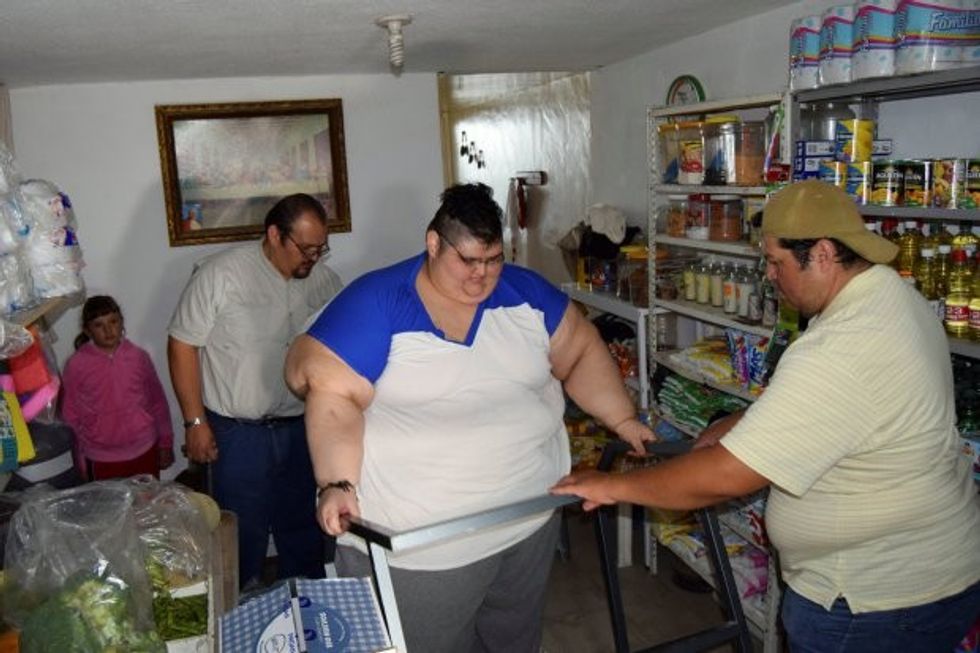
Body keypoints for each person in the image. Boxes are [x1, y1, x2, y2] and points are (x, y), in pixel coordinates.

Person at [552, 180, 980, 653]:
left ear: (821, 254)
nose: (770, 277)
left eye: (776, 262)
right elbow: (843, 407)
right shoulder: (894, 298)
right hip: (929, 575)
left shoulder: (844, 343)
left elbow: (725, 477)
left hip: (872, 602)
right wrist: (750, 421)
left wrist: (610, 486)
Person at [284, 183, 653, 653]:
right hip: (423, 549)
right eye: (468, 260)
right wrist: (337, 483)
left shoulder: (525, 294)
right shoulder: (378, 302)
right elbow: (330, 396)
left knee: (513, 640)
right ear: (433, 243)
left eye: (493, 259)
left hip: (526, 522)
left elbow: (580, 353)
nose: (482, 275)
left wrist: (622, 420)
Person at [168, 193, 343, 590]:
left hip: (301, 427)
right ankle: (241, 613)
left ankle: (305, 607)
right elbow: (182, 344)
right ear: (275, 235)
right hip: (237, 433)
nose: (313, 258)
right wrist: (194, 421)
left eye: (321, 249)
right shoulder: (220, 275)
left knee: (302, 527)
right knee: (239, 533)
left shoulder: (326, 282)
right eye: (305, 248)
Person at [62, 294, 175, 480]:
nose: (108, 330)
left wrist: (165, 442)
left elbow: (158, 402)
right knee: (111, 508)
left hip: (144, 449)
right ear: (87, 331)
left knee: (147, 505)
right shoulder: (76, 365)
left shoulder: (139, 357)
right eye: (99, 325)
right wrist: (78, 459)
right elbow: (70, 415)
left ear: (122, 322)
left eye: (113, 321)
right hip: (101, 458)